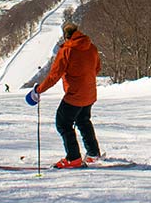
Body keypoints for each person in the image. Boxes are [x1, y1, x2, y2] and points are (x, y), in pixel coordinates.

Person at [28, 21, 102, 169]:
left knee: (63, 123)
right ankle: (93, 153)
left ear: (66, 36)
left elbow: (54, 76)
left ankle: (73, 158)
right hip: (90, 93)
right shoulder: (91, 48)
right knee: (83, 120)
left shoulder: (67, 50)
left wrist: (38, 90)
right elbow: (97, 68)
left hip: (75, 94)